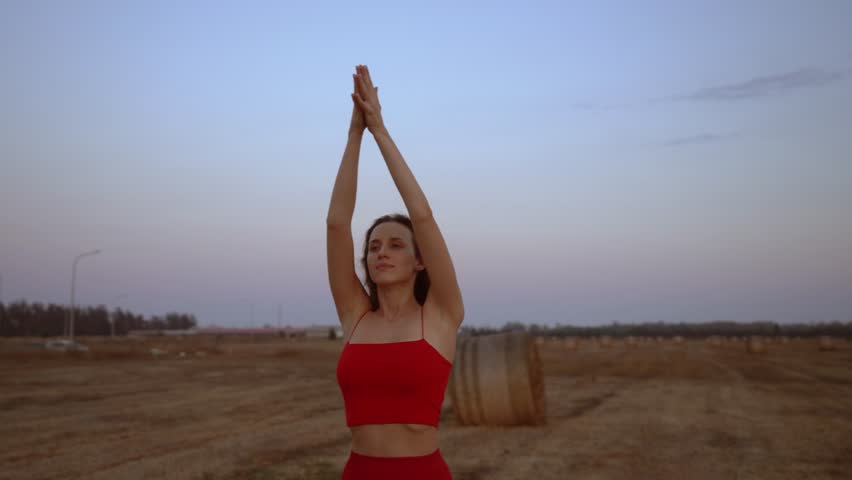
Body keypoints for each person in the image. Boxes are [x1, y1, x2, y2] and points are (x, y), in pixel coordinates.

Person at [326, 64, 465, 479]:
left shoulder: (440, 315)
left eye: (396, 244)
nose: (380, 253)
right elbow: (336, 224)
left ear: (419, 260)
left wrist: (380, 132)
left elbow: (422, 217)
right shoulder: (355, 315)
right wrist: (354, 136)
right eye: (373, 247)